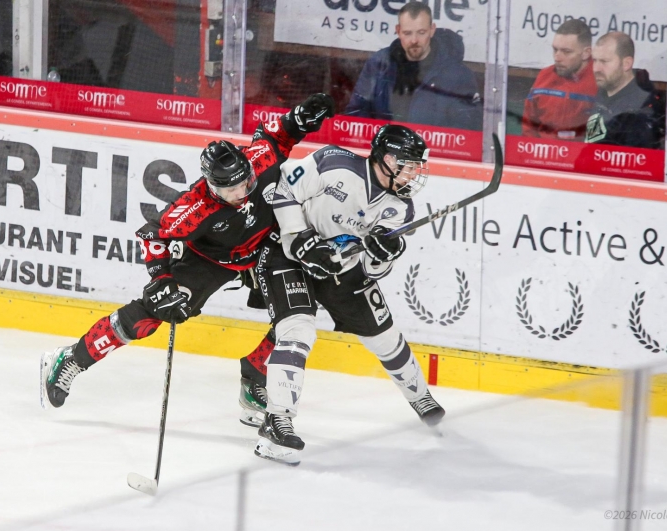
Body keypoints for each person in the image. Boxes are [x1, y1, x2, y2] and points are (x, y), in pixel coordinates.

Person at [39, 93, 335, 410]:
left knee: (296, 311)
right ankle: (72, 359)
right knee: (149, 316)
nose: (242, 192)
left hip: (268, 245)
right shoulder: (195, 207)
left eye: (245, 183)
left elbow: (278, 135)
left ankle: (255, 376)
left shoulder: (260, 159)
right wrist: (161, 279)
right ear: (213, 187)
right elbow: (153, 235)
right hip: (213, 260)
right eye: (231, 189)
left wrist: (299, 116)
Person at [237, 125, 445, 466]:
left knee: (384, 335)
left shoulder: (399, 208)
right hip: (287, 256)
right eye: (408, 165)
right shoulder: (333, 163)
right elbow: (283, 186)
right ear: (387, 159)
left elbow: (373, 271)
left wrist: (382, 255)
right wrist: (298, 237)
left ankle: (421, 398)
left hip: (340, 268)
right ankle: (277, 422)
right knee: (298, 330)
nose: (413, 174)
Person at [345, 2, 481, 130]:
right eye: (408, 33)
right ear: (398, 31)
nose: (414, 40)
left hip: (431, 148)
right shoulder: (379, 64)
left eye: (421, 32)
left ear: (432, 30)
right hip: (383, 145)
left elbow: (468, 130)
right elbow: (355, 113)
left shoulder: (458, 75)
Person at [584, 32, 665, 149]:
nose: (596, 68)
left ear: (626, 64)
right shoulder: (605, 88)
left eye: (604, 61)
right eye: (595, 60)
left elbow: (633, 157)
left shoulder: (640, 108)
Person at [521, 19, 597, 141]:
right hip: (543, 150)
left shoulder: (600, 81)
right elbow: (529, 126)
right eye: (555, 50)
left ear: (586, 53)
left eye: (566, 52)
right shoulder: (544, 76)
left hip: (583, 151)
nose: (557, 57)